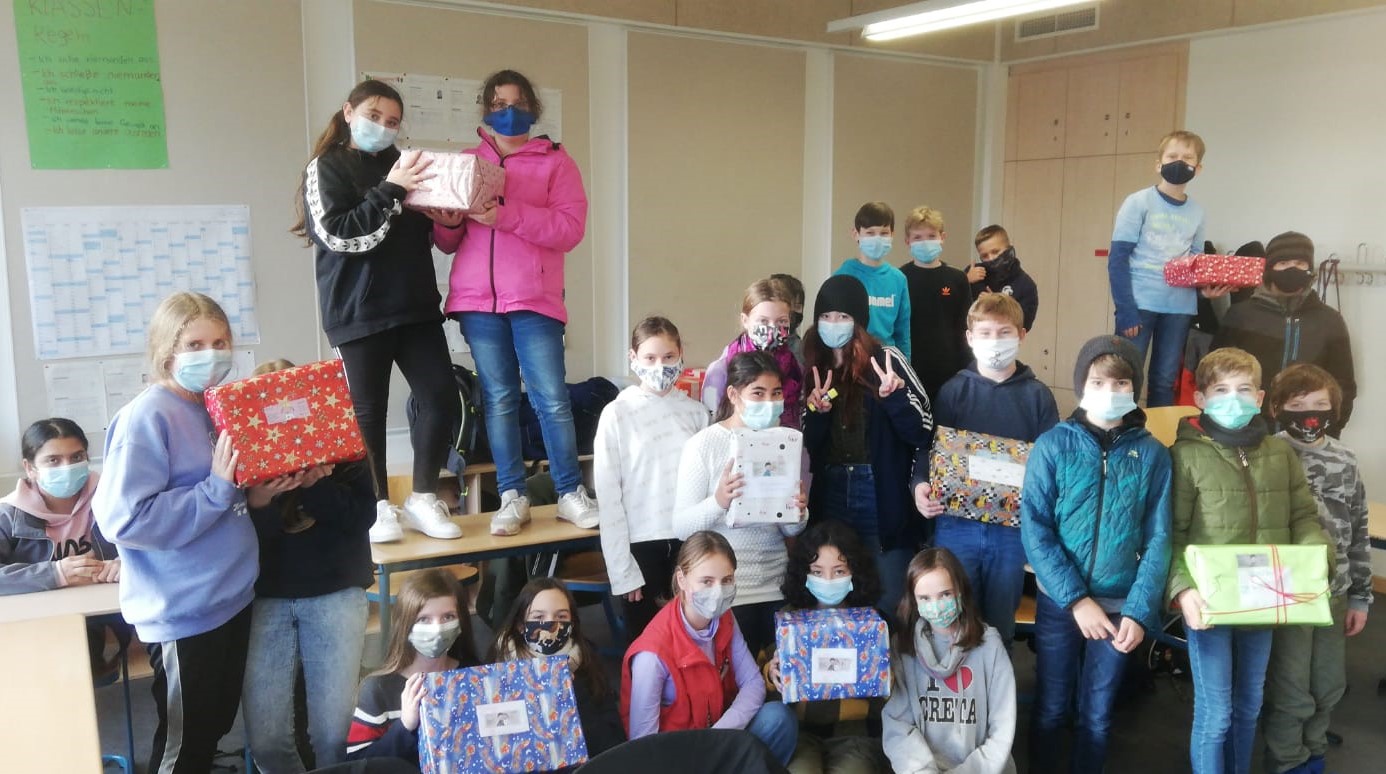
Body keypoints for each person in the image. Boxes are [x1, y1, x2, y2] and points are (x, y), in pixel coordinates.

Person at [94, 292, 306, 773]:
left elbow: (226, 499)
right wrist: (215, 489)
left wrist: (257, 494)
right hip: (183, 611)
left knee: (210, 734)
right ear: (166, 349)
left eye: (220, 342)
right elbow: (126, 519)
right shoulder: (146, 417)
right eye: (194, 344)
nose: (210, 354)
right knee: (183, 747)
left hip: (230, 600)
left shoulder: (216, 406)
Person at [293, 78, 462, 543]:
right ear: (349, 112)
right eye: (373, 116)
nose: (382, 127)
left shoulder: (404, 164)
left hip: (415, 304)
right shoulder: (325, 167)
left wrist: (445, 222)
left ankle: (423, 497)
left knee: (440, 396)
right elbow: (341, 236)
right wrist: (390, 189)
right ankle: (378, 506)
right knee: (367, 412)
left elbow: (421, 233)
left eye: (392, 121)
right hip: (357, 311)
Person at [431, 69, 598, 538]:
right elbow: (447, 242)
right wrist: (447, 222)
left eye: (518, 103)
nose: (509, 112)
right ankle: (511, 495)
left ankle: (569, 492)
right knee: (499, 399)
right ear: (486, 110)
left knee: (552, 399)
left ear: (533, 109)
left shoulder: (556, 162)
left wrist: (506, 215)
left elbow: (568, 230)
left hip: (534, 299)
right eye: (499, 104)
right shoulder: (466, 162)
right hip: (477, 302)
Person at [1164, 348, 1328, 774]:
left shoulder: (1280, 454)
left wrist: (1315, 556)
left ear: (1259, 398)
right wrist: (1183, 590)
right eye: (1221, 390)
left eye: (1243, 390)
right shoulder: (1185, 456)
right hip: (1209, 602)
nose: (1233, 399)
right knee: (1216, 712)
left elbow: (1303, 516)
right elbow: (1171, 535)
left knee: (1250, 703)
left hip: (1264, 597)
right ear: (1200, 398)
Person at [1020, 336, 1173, 774]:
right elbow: (1035, 528)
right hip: (1060, 602)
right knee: (1051, 707)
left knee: (1098, 716)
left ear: (1134, 388)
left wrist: (1139, 611)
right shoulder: (1053, 445)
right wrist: (1076, 600)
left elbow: (1160, 538)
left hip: (1121, 606)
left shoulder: (1153, 455)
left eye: (1121, 382)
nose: (1110, 391)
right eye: (1098, 381)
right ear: (1081, 386)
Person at [240, 359, 375, 772]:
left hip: (336, 592)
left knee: (334, 735)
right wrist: (260, 502)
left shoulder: (342, 444)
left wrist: (319, 486)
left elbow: (362, 519)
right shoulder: (244, 458)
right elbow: (235, 546)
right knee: (266, 741)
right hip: (265, 598)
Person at [915, 294, 1059, 647]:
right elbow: (930, 451)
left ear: (1022, 335)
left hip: (1011, 531)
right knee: (951, 622)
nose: (995, 341)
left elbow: (1051, 466)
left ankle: (997, 682)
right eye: (986, 332)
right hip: (957, 527)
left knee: (998, 626)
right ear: (970, 337)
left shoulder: (1038, 397)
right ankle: (950, 682)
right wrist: (919, 486)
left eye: (1004, 332)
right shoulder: (953, 391)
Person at [1261, 364, 1371, 774]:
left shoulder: (1344, 458)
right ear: (1277, 408)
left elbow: (1358, 527)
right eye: (1297, 405)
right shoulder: (1268, 454)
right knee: (1290, 687)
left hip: (1335, 590)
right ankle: (1287, 760)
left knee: (1328, 684)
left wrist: (1360, 595)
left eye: (1320, 404)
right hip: (1288, 592)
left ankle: (1314, 751)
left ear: (1334, 410)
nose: (1310, 414)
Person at [802, 275, 933, 615]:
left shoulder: (886, 359)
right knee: (836, 592)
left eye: (843, 316)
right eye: (826, 316)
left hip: (880, 492)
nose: (833, 323)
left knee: (888, 596)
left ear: (858, 321)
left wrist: (895, 398)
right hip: (832, 492)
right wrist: (817, 413)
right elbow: (810, 444)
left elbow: (923, 431)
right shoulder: (815, 364)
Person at [620, 531, 799, 766]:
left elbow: (753, 683)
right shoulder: (651, 655)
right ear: (682, 579)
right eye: (706, 581)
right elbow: (643, 745)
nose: (718, 591)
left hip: (717, 740)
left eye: (726, 580)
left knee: (779, 718)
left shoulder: (725, 617)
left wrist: (716, 740)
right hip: (677, 761)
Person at [673, 352, 808, 655]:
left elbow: (790, 530)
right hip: (725, 591)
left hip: (775, 584)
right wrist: (719, 501)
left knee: (775, 672)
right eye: (758, 393)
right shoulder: (704, 445)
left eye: (776, 393)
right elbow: (681, 527)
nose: (769, 402)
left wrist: (799, 511)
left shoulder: (783, 441)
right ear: (734, 395)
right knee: (733, 674)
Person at [596, 317, 709, 639]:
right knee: (647, 642)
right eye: (650, 358)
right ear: (633, 358)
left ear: (681, 354)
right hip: (640, 545)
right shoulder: (617, 414)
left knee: (691, 637)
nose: (660, 366)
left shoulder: (696, 413)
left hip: (688, 541)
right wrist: (622, 570)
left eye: (668, 357)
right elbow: (609, 497)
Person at [1108, 130, 1227, 408]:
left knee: (1164, 380)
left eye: (1187, 158)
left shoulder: (1197, 212)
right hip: (1139, 305)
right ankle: (1122, 430)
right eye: (1172, 156)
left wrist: (1203, 293)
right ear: (1158, 163)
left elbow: (1195, 262)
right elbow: (1117, 259)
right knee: (1125, 377)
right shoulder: (1138, 202)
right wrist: (1125, 310)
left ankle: (1158, 433)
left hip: (1179, 308)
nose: (1179, 162)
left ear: (1198, 168)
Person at [1, 418, 128, 675]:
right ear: (30, 468)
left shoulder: (111, 498)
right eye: (53, 460)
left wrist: (128, 563)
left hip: (108, 609)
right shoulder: (8, 516)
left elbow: (152, 542)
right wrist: (55, 574)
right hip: (39, 620)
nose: (67, 467)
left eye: (76, 457)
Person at [763, 520, 888, 774]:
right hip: (801, 735)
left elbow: (890, 693)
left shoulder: (874, 625)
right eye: (817, 572)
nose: (828, 580)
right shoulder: (789, 620)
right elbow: (764, 677)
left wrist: (881, 671)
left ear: (855, 572)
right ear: (804, 574)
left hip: (856, 736)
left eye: (839, 571)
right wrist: (771, 673)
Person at [882, 548, 1017, 774]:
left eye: (945, 594)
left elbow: (1002, 729)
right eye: (925, 598)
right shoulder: (902, 648)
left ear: (960, 591)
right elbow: (898, 725)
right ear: (914, 601)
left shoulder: (990, 646)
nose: (936, 605)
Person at [1211, 232, 1357, 433]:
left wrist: (1331, 429)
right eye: (1283, 263)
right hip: (1248, 431)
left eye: (1300, 263)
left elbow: (1343, 383)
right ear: (1270, 268)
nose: (1292, 269)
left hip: (1309, 433)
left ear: (1310, 268)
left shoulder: (1330, 320)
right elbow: (1215, 374)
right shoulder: (1240, 315)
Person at [346, 568, 481, 765]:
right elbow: (358, 764)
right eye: (424, 619)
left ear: (461, 621)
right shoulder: (378, 690)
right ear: (406, 624)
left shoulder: (474, 675)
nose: (437, 628)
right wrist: (405, 726)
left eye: (448, 617)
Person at [488, 578, 626, 759]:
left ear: (572, 624)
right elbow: (493, 744)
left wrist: (572, 694)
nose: (551, 624)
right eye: (538, 617)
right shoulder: (499, 668)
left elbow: (612, 741)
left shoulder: (587, 661)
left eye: (561, 617)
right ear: (521, 625)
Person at [700, 279, 805, 430]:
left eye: (781, 321)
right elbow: (711, 426)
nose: (773, 329)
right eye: (763, 320)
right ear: (745, 320)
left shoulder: (796, 368)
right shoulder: (720, 371)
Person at [899, 205, 972, 400]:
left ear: (943, 237)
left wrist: (967, 371)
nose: (925, 242)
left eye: (931, 236)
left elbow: (965, 328)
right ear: (907, 241)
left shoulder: (957, 279)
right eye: (918, 237)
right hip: (910, 371)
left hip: (951, 373)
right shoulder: (899, 278)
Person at [833, 202, 911, 357]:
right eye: (870, 233)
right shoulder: (843, 276)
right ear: (856, 234)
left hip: (886, 360)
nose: (877, 238)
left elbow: (903, 333)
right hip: (852, 357)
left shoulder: (898, 279)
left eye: (884, 233)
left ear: (892, 234)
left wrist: (904, 365)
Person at [968, 225, 1038, 332]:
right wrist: (965, 280)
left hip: (1005, 340)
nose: (991, 258)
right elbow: (948, 301)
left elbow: (1025, 325)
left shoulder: (1025, 285)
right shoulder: (973, 272)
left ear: (1009, 249)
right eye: (985, 256)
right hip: (971, 339)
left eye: (995, 252)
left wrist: (997, 305)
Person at [769, 273, 807, 366]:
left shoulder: (801, 350)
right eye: (788, 306)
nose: (792, 312)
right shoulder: (750, 344)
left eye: (797, 307)